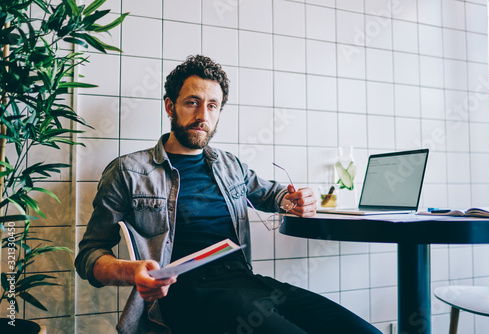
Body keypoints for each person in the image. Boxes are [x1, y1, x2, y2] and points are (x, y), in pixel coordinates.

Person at [75, 55, 381, 334]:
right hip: (186, 296)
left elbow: (272, 194)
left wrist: (298, 199)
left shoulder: (230, 165)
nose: (202, 116)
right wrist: (133, 271)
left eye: (212, 106)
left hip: (247, 284)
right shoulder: (128, 171)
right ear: (170, 106)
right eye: (192, 102)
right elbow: (89, 256)